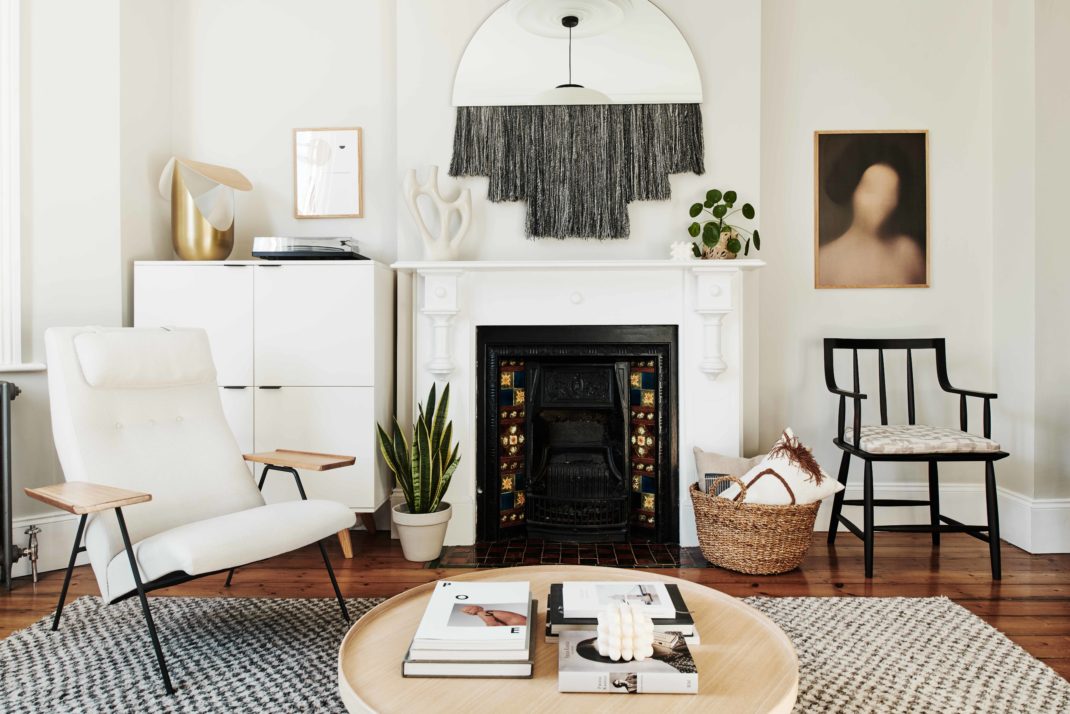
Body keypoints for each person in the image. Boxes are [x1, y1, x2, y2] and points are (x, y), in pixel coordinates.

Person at [819, 138, 926, 287]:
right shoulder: (825, 262)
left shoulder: (909, 254)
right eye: (872, 190)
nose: (880, 202)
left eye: (890, 193)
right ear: (853, 191)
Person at [459, 605, 528, 627]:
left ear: (477, 607)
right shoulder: (489, 611)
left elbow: (493, 624)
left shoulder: (482, 613)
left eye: (469, 609)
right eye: (466, 612)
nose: (468, 612)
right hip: (523, 620)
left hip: (520, 623)